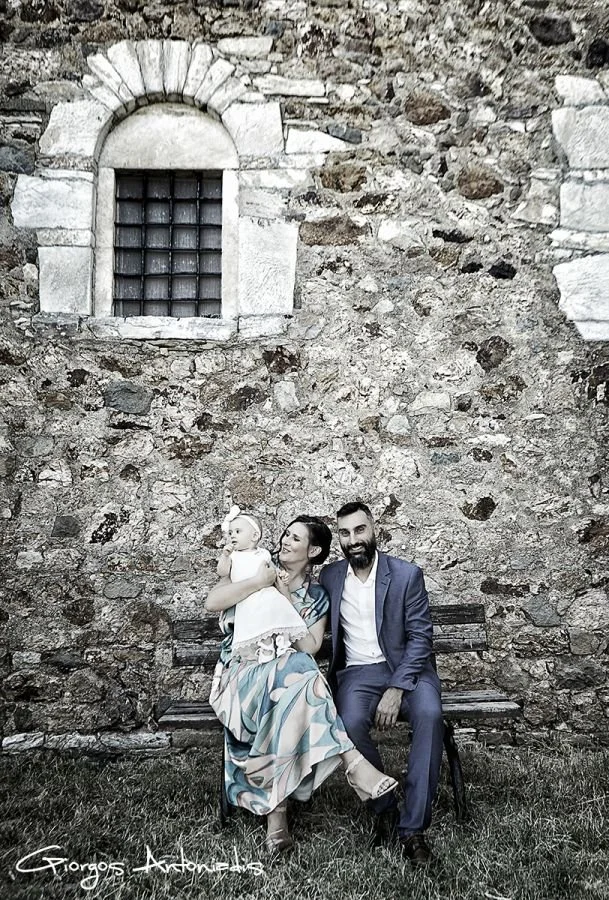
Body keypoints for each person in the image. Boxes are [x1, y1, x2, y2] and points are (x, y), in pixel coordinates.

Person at [205, 513, 399, 854]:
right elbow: (213, 602)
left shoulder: (317, 596)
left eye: (295, 538)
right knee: (300, 673)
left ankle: (276, 819)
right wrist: (260, 583)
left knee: (292, 676)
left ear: (313, 551)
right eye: (284, 535)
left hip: (285, 684)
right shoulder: (251, 566)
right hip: (240, 675)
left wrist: (282, 596)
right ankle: (352, 763)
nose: (284, 542)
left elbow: (309, 645)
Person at [319, 501, 444, 868]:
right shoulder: (330, 577)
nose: (353, 539)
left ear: (374, 529)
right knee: (349, 721)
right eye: (345, 533)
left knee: (431, 715)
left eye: (360, 530)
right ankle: (385, 806)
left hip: (407, 671)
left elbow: (421, 638)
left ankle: (413, 829)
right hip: (357, 673)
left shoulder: (406, 575)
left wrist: (396, 687)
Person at [217, 506, 308, 662]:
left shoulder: (263, 554)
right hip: (248, 597)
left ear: (254, 536)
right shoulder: (234, 556)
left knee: (278, 612)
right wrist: (225, 556)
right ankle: (265, 647)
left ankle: (282, 642)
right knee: (258, 621)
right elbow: (223, 572)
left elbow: (271, 569)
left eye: (238, 532)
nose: (233, 536)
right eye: (231, 532)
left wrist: (281, 575)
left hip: (267, 594)